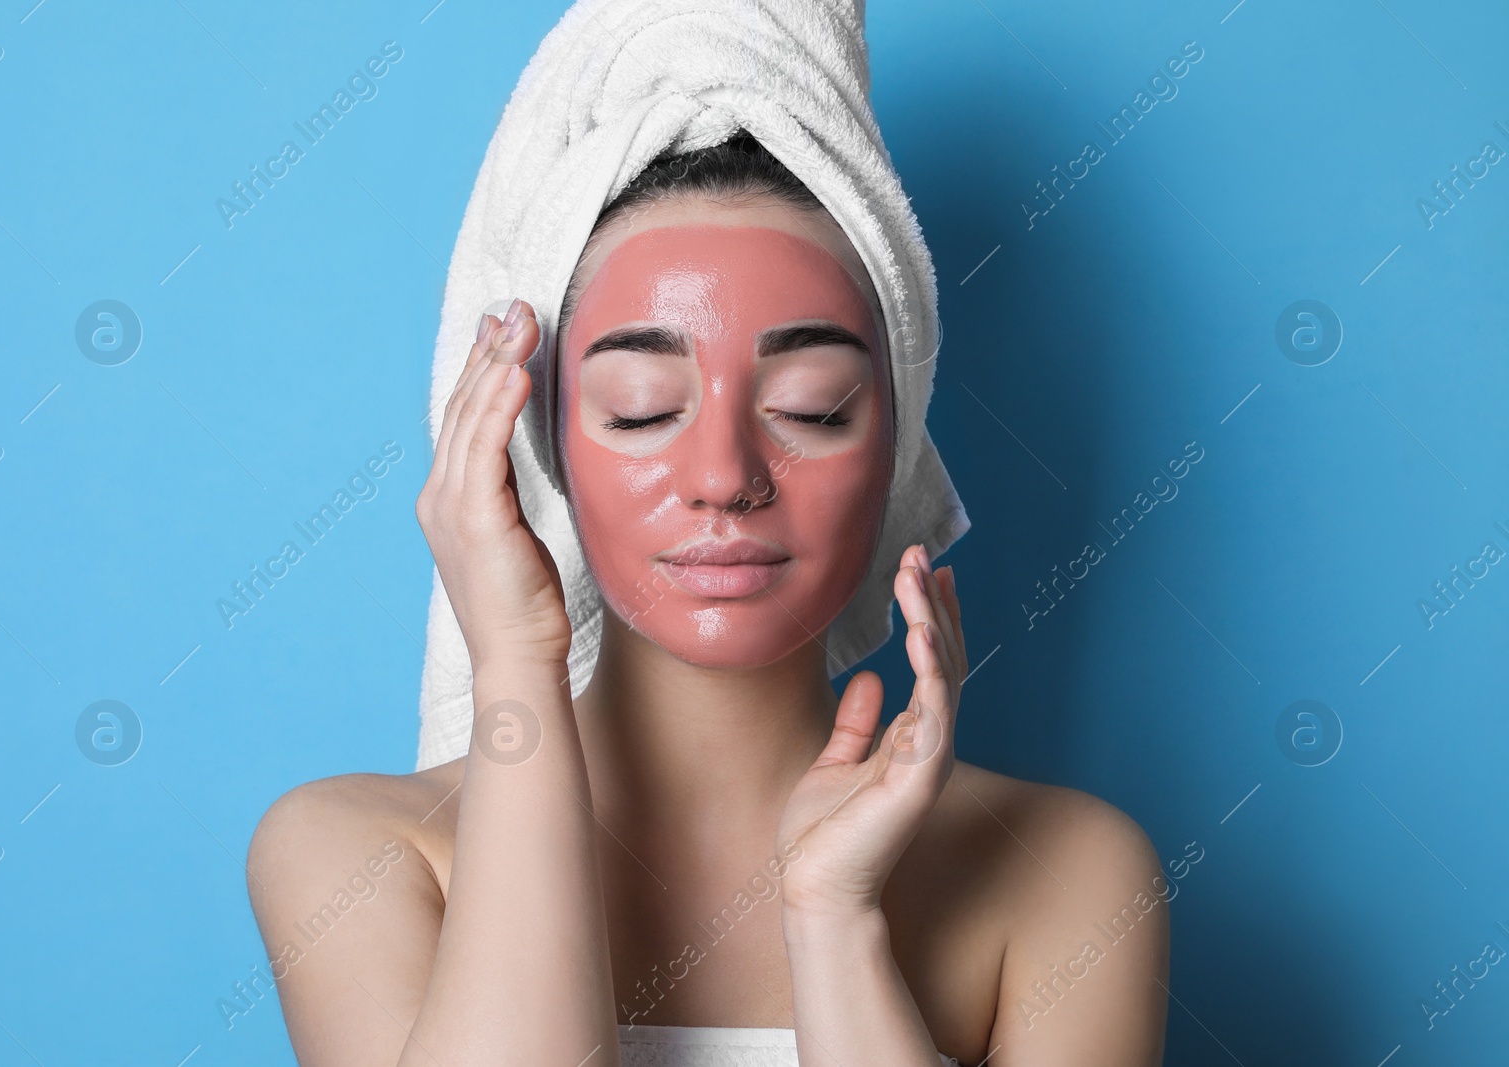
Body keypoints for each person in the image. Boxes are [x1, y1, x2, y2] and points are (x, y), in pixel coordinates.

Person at [246, 134, 1170, 1066]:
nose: (725, 478)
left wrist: (834, 922)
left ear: (898, 446)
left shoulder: (1067, 875)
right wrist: (515, 656)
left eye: (811, 406)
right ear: (544, 448)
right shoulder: (353, 855)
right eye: (643, 408)